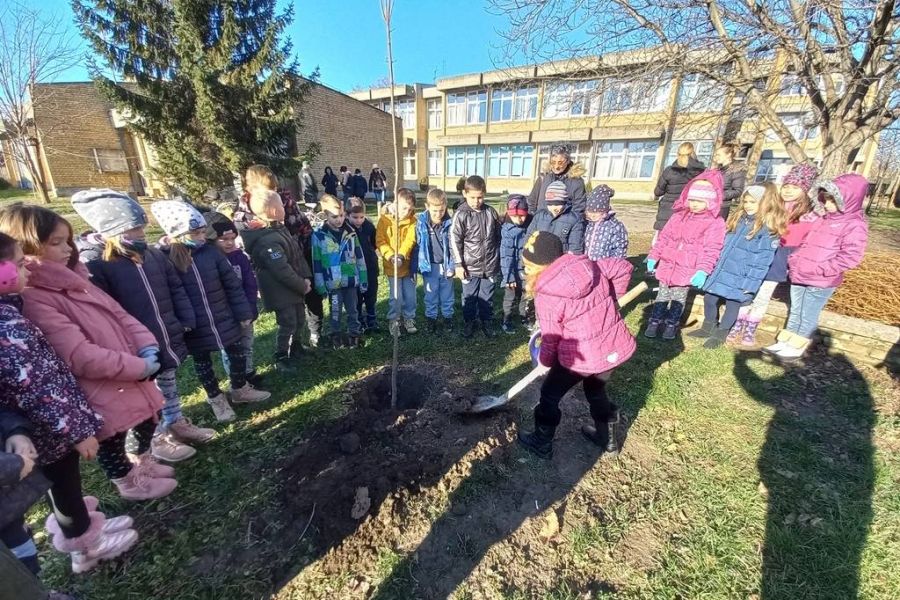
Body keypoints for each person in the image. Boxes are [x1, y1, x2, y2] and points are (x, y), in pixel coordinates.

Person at [0, 204, 177, 501]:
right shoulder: (36, 298)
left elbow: (120, 314)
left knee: (146, 419)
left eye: (68, 240)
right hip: (101, 383)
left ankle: (143, 464)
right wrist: (139, 367)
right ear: (27, 248)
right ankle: (126, 481)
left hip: (129, 368)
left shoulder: (78, 278)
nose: (68, 249)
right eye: (56, 243)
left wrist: (147, 346)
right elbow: (79, 354)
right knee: (113, 437)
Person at [0, 233, 137, 574]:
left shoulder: (10, 312)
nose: (27, 271)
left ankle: (81, 527)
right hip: (49, 432)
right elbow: (38, 386)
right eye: (19, 264)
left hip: (37, 429)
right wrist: (76, 431)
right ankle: (86, 546)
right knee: (64, 486)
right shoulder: (7, 325)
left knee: (60, 485)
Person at [72, 190, 214, 464]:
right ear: (113, 229)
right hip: (133, 346)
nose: (141, 235)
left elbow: (174, 286)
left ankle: (175, 421)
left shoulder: (153, 255)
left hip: (164, 332)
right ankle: (154, 439)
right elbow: (102, 312)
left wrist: (184, 319)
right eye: (134, 229)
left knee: (168, 382)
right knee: (146, 395)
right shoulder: (97, 265)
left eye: (142, 228)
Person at [516, 231, 635, 459]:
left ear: (544, 265)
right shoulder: (589, 267)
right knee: (595, 389)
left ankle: (541, 443)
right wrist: (613, 299)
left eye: (529, 266)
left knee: (549, 394)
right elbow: (623, 267)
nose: (526, 271)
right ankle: (607, 440)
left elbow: (551, 338)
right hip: (611, 348)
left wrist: (544, 362)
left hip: (582, 356)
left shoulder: (547, 294)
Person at [151, 201, 270, 423]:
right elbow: (168, 294)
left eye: (203, 232)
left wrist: (243, 311)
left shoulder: (211, 253)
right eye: (196, 233)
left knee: (236, 352)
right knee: (202, 362)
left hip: (222, 314)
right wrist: (183, 322)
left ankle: (239, 388)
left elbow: (231, 283)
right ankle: (216, 398)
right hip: (194, 323)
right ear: (178, 233)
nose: (202, 237)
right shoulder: (166, 259)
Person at [764, 173, 869, 361]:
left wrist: (823, 270)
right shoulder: (823, 219)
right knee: (795, 311)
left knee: (807, 315)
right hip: (800, 273)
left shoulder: (855, 225)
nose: (827, 204)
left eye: (833, 200)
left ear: (848, 200)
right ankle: (785, 341)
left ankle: (797, 347)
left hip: (821, 280)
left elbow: (851, 256)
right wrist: (795, 260)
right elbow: (806, 243)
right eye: (826, 199)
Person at [735, 163, 819, 347]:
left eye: (794, 187)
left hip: (780, 259)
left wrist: (793, 260)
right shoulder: (771, 207)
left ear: (805, 190)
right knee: (747, 291)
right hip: (760, 255)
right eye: (786, 186)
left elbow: (807, 242)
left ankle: (750, 329)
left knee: (763, 296)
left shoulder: (810, 216)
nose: (788, 191)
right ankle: (738, 323)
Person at [694, 183, 787, 348]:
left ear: (765, 204)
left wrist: (750, 285)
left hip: (741, 276)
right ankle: (708, 326)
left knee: (732, 305)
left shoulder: (767, 229)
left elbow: (762, 262)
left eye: (753, 202)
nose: (748, 205)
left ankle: (721, 334)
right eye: (746, 201)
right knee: (709, 298)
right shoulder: (738, 219)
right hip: (723, 271)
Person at [645, 171, 727, 340]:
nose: (694, 204)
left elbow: (712, 249)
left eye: (700, 201)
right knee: (662, 296)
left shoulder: (714, 223)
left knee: (678, 299)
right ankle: (654, 322)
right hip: (667, 265)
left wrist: (703, 270)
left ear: (710, 201)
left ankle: (671, 324)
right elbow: (664, 238)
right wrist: (654, 256)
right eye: (692, 200)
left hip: (687, 268)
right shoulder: (678, 216)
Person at [242, 190, 313, 371]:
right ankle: (281, 355)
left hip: (294, 288)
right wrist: (301, 284)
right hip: (281, 291)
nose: (284, 207)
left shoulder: (280, 230)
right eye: (281, 205)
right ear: (274, 211)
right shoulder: (267, 241)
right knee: (288, 322)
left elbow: (297, 256)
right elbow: (281, 270)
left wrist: (306, 277)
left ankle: (296, 346)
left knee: (299, 319)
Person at [206, 212, 261, 387]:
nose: (229, 243)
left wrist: (250, 308)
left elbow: (250, 284)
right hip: (225, 315)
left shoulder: (240, 258)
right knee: (230, 349)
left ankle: (248, 371)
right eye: (223, 239)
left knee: (247, 343)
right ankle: (237, 379)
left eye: (232, 238)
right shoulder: (210, 261)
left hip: (245, 309)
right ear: (212, 240)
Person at [311, 195, 368, 349]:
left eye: (342, 215)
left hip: (350, 280)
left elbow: (359, 257)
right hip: (333, 282)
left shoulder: (351, 233)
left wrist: (363, 278)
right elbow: (316, 262)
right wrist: (320, 284)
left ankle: (354, 334)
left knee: (353, 310)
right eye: (334, 217)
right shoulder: (319, 236)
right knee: (335, 310)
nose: (339, 220)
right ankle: (336, 335)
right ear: (325, 215)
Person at [450, 175, 501, 339]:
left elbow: (498, 237)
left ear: (484, 194)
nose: (476, 201)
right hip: (469, 267)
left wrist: (497, 260)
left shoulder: (491, 212)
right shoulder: (461, 214)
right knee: (469, 297)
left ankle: (486, 321)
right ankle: (469, 322)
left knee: (487, 297)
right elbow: (454, 240)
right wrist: (459, 264)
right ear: (464, 194)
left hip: (489, 266)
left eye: (480, 197)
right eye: (472, 197)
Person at [376, 187, 418, 337]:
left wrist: (401, 255)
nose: (406, 212)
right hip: (392, 266)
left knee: (410, 296)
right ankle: (394, 320)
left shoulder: (413, 221)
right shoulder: (385, 220)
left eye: (410, 209)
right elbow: (380, 241)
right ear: (396, 204)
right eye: (404, 208)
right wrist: (390, 256)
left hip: (407, 266)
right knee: (396, 297)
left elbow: (410, 240)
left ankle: (409, 318)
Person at [416, 188, 455, 333]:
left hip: (446, 264)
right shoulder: (421, 223)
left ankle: (447, 318)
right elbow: (418, 243)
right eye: (434, 211)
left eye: (442, 210)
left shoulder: (450, 223)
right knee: (430, 294)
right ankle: (431, 319)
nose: (438, 214)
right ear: (427, 206)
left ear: (446, 206)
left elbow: (453, 246)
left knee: (447, 294)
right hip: (429, 265)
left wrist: (452, 265)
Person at [653, 142, 705, 237]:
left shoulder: (669, 171)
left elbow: (658, 192)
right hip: (689, 210)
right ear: (693, 154)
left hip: (668, 211)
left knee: (662, 241)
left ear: (678, 154)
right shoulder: (701, 172)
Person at [499, 195, 532, 333]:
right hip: (512, 270)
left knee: (526, 294)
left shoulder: (531, 226)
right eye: (514, 216)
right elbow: (506, 256)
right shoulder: (507, 230)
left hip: (526, 269)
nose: (518, 219)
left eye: (522, 216)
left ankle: (524, 317)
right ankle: (506, 319)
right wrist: (509, 277)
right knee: (510, 297)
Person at [526, 144, 588, 215]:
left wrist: (566, 221)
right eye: (553, 162)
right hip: (541, 220)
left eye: (560, 163)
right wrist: (534, 218)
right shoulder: (543, 178)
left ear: (568, 161)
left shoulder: (576, 181)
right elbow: (531, 202)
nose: (556, 167)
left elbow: (579, 208)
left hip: (565, 221)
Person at [347, 199, 380, 332]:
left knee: (371, 295)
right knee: (357, 297)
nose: (359, 220)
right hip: (354, 269)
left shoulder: (369, 226)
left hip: (370, 266)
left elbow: (374, 243)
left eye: (362, 217)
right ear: (348, 215)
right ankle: (359, 320)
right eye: (355, 217)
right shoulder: (346, 229)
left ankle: (372, 319)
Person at [525, 181, 584, 254]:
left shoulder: (574, 220)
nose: (553, 208)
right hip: (539, 257)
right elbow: (528, 239)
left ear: (564, 202)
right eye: (550, 204)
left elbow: (575, 248)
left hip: (560, 259)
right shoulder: (539, 216)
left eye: (557, 204)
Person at [583, 185, 628, 260]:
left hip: (605, 263)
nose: (592, 215)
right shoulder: (588, 224)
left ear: (605, 210)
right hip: (588, 262)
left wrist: (614, 263)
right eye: (590, 212)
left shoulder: (615, 226)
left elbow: (620, 248)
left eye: (597, 212)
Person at [713, 141, 747, 219]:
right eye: (716, 155)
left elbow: (738, 191)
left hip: (722, 207)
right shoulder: (718, 170)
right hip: (711, 203)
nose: (716, 157)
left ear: (728, 155)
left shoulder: (737, 170)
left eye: (718, 155)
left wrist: (720, 195)